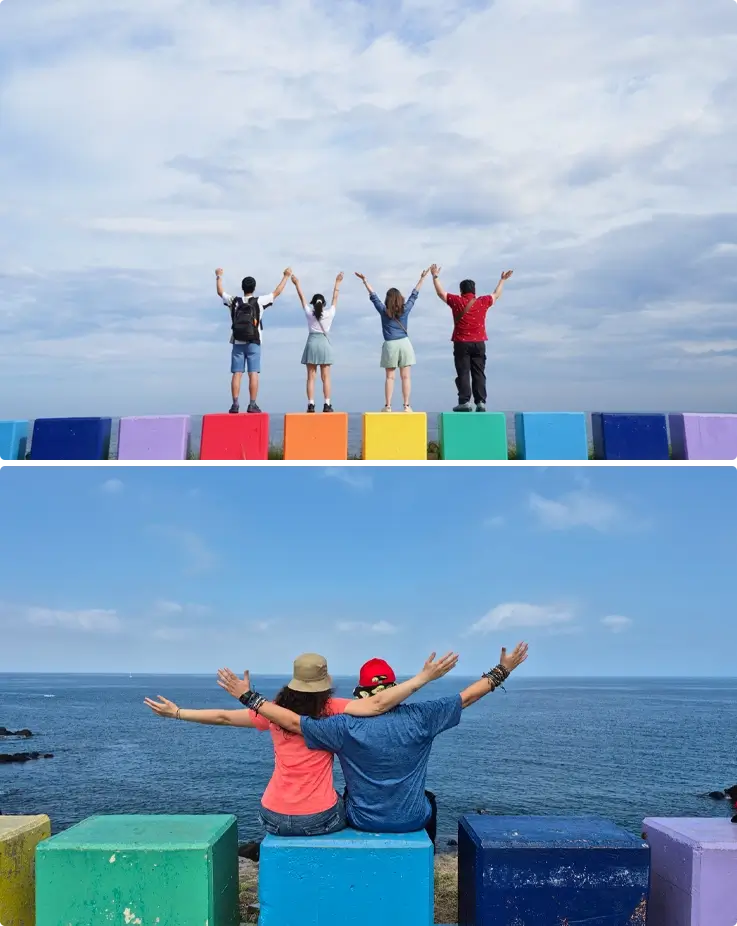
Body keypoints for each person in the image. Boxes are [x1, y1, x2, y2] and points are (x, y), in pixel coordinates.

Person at [219, 642, 528, 843]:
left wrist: (249, 697)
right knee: (429, 800)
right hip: (411, 819)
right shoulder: (424, 717)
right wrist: (504, 669)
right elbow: (468, 696)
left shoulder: (342, 725)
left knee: (342, 797)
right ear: (395, 689)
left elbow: (290, 722)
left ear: (360, 693)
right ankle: (428, 857)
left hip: (362, 820)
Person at [145, 650, 458, 838]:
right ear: (325, 682)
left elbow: (224, 717)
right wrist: (422, 678)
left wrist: (178, 712)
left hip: (271, 816)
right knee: (352, 804)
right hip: (319, 818)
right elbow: (378, 705)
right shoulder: (334, 708)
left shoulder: (272, 711)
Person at [429, 264, 514, 412]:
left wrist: (435, 276)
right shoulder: (482, 301)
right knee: (479, 372)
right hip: (479, 343)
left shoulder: (457, 301)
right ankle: (480, 402)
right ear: (474, 291)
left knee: (463, 372)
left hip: (461, 343)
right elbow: (496, 294)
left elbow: (441, 293)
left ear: (461, 291)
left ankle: (464, 402)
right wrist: (502, 280)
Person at [215, 267, 292, 414]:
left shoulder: (234, 301)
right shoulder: (259, 301)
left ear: (242, 288)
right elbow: (276, 293)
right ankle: (252, 404)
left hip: (237, 342)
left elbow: (220, 292)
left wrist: (218, 276)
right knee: (253, 373)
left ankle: (235, 404)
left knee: (237, 373)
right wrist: (286, 276)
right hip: (254, 341)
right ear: (254, 288)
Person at [354, 269, 430, 412]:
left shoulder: (384, 311)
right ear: (400, 298)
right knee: (406, 377)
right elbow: (414, 295)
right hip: (405, 343)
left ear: (387, 299)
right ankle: (406, 406)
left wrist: (365, 281)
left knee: (390, 377)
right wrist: (422, 278)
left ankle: (388, 406)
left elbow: (373, 296)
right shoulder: (405, 309)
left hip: (390, 345)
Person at [291, 272, 343, 413]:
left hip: (312, 343)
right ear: (324, 304)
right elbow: (335, 298)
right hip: (324, 344)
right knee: (326, 377)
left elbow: (302, 297)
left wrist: (297, 283)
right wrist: (337, 282)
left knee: (311, 377)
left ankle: (311, 404)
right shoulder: (329, 313)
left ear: (313, 304)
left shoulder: (309, 313)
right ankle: (327, 404)